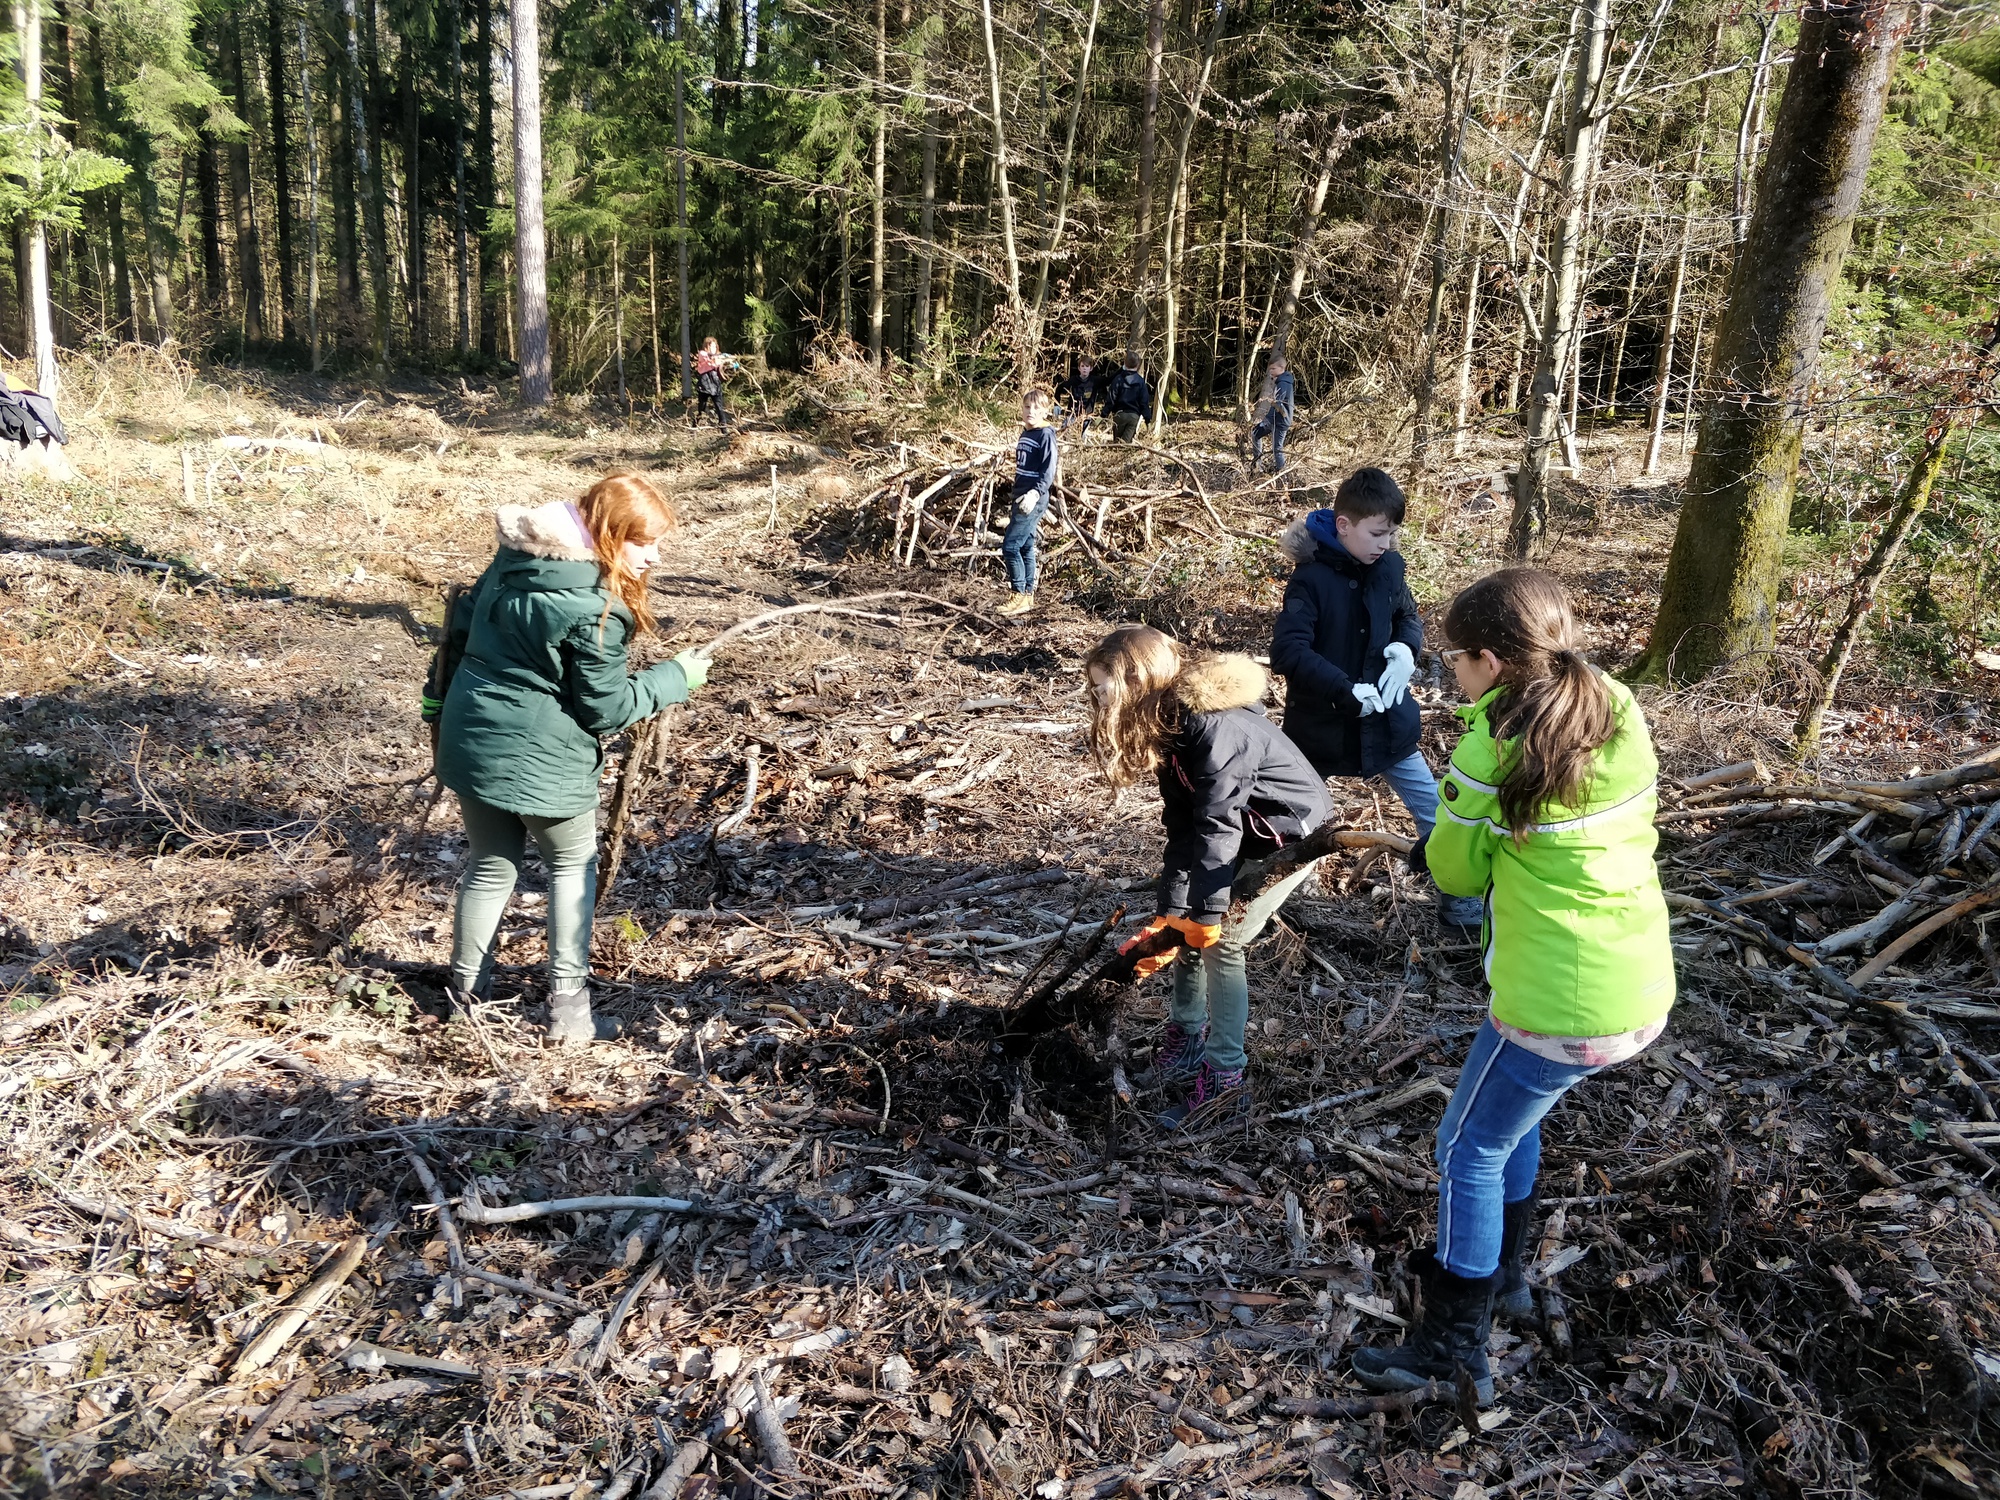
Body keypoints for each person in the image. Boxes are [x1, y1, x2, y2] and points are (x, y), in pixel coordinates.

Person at [1350, 569, 1674, 1406]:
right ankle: (1511, 1280)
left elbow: (1454, 867)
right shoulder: (1614, 704)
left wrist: (1456, 822)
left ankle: (1455, 1344)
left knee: (1466, 1148)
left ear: (1491, 661)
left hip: (1554, 999)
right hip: (1633, 981)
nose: (1448, 674)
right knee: (1510, 1123)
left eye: (1454, 660)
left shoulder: (1493, 745)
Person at [422, 473, 713, 1043]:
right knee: (570, 867)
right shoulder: (592, 608)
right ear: (607, 534)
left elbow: (457, 631)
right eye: (642, 543)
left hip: (472, 734)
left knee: (489, 866)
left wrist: (436, 701)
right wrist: (675, 677)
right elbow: (607, 710)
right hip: (542, 757)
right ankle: (570, 1014)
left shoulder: (515, 559)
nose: (652, 559)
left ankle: (465, 1001)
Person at [1085, 626, 1334, 1127]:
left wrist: (1209, 912)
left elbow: (1218, 822)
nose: (1096, 698)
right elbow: (1184, 829)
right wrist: (1171, 914)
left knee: (1224, 940)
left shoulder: (1214, 727)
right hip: (1241, 832)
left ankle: (1225, 1080)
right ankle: (1186, 1041)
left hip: (1291, 834)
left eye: (1102, 687)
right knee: (1186, 930)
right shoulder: (1169, 724)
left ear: (1137, 680)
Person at [1269, 467, 1484, 930]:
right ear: (1344, 526)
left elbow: (1407, 614)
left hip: (1388, 722)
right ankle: (1289, 899)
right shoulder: (1310, 580)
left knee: (1435, 808)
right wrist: (1343, 689)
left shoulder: (1388, 567)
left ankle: (1460, 901)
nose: (1385, 543)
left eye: (1392, 533)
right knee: (1298, 813)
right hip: (1321, 729)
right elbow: (1288, 651)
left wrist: (1406, 649)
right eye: (1377, 533)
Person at [999, 389, 1059, 617]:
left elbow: (1049, 469)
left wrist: (1035, 494)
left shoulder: (1046, 435)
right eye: (1027, 407)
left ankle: (1017, 593)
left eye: (1036, 408)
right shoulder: (1026, 433)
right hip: (1020, 497)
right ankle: (1027, 595)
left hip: (1033, 498)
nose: (1030, 412)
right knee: (1025, 546)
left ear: (1045, 411)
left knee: (1010, 546)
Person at [1251, 357, 1296, 474]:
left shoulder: (1283, 383)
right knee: (1255, 434)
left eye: (1273, 368)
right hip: (1273, 419)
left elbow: (1279, 403)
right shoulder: (1281, 381)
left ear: (1281, 368)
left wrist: (1273, 403)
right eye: (1269, 369)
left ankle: (1281, 472)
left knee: (1277, 448)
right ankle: (1257, 465)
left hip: (1280, 421)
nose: (1271, 371)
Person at [1105, 359, 1153, 443]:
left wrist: (1104, 414)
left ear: (1125, 364)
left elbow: (1111, 399)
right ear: (1138, 365)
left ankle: (1116, 454)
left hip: (1119, 415)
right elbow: (1144, 403)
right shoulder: (1140, 382)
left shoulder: (1118, 379)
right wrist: (1147, 420)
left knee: (1117, 443)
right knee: (1125, 443)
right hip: (1133, 417)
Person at [1058, 354, 1103, 434]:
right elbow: (1059, 388)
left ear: (1091, 368)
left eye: (1087, 366)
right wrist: (1056, 405)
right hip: (1072, 414)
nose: (1084, 368)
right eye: (1082, 366)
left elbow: (1110, 380)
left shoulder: (1094, 381)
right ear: (1079, 368)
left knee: (1082, 436)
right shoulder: (1073, 380)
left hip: (1086, 416)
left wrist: (1124, 369)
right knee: (1065, 433)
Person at [694, 337, 731, 430]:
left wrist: (730, 363)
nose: (714, 348)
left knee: (719, 406)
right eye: (711, 346)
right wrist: (720, 357)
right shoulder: (702, 354)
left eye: (715, 346)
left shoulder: (718, 357)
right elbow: (709, 357)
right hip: (705, 382)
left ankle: (724, 429)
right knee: (702, 407)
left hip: (715, 382)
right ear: (707, 346)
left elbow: (722, 365)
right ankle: (694, 427)